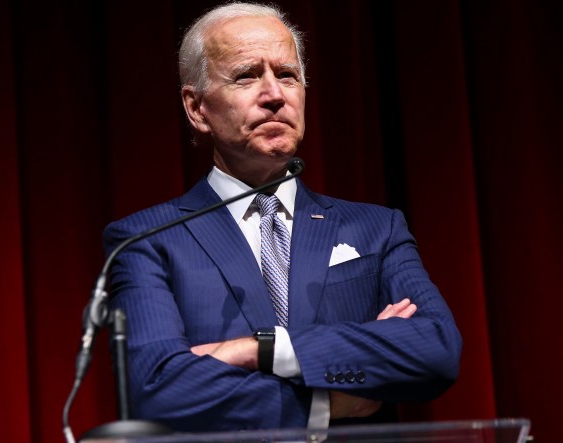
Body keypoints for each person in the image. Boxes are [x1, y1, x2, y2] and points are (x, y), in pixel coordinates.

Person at [103, 2, 462, 433]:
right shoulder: (146, 240)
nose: (275, 95)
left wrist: (261, 349)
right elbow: (155, 388)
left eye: (287, 75)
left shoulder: (375, 230)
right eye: (247, 76)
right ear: (197, 108)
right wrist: (326, 405)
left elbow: (437, 349)